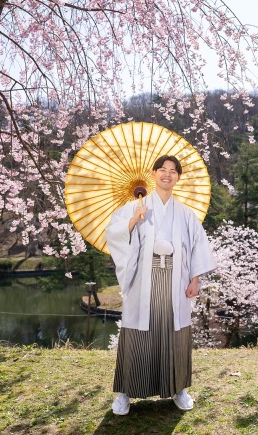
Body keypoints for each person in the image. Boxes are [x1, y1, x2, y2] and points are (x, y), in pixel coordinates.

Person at [106, 155, 216, 415]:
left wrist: (196, 279)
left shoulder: (186, 214)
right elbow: (113, 234)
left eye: (173, 171)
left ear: (178, 177)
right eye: (162, 170)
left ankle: (178, 389)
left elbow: (197, 247)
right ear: (154, 174)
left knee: (174, 333)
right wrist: (134, 220)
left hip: (176, 281)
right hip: (143, 280)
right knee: (138, 334)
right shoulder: (136, 207)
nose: (167, 174)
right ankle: (125, 392)